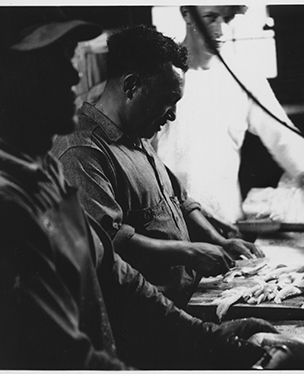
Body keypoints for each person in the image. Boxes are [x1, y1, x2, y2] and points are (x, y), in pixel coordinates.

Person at [0, 6, 276, 370]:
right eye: (47, 60)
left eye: (67, 56)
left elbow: (117, 277)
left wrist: (207, 338)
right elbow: (66, 361)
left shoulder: (42, 173)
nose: (72, 74)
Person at [51, 24, 264, 307]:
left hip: (183, 298)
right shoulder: (82, 150)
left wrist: (218, 241)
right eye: (168, 100)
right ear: (131, 86)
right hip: (144, 315)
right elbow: (108, 240)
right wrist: (188, 253)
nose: (173, 115)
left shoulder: (136, 134)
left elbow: (179, 199)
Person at [155, 5, 304, 230]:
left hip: (227, 221)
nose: (221, 30)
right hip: (175, 226)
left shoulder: (243, 76)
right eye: (210, 18)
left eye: (227, 19)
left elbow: (282, 133)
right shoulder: (160, 77)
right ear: (186, 14)